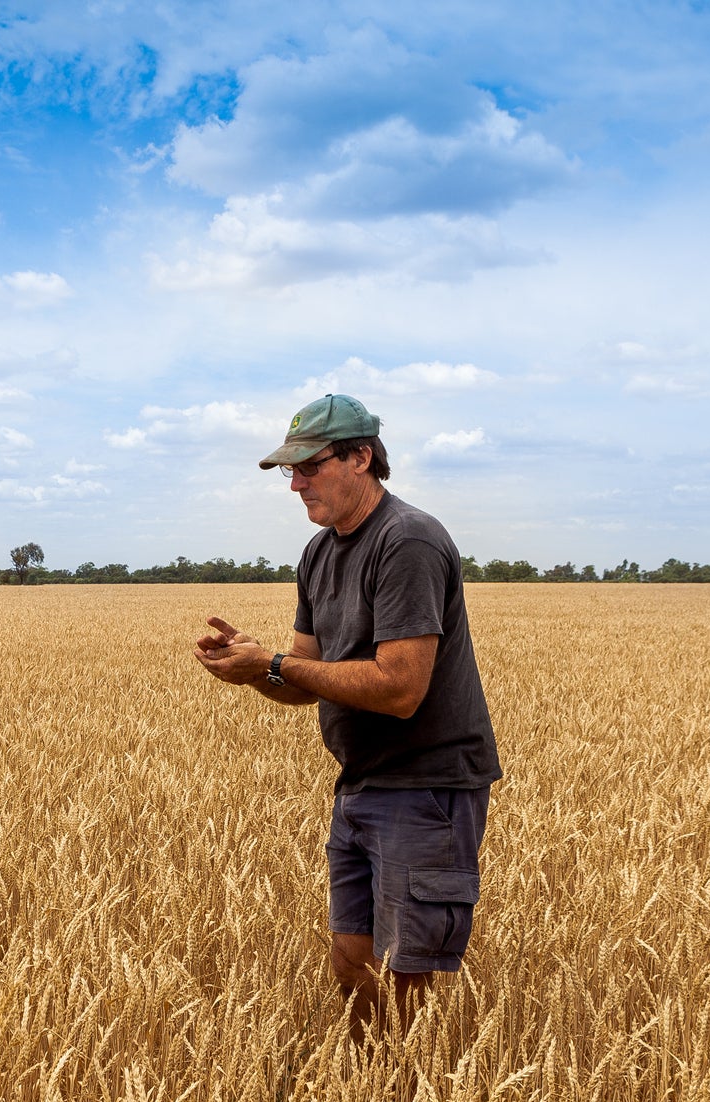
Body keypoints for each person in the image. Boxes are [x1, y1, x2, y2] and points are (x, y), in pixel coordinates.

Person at [194, 393, 501, 1037]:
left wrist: (273, 663)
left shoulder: (407, 539)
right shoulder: (320, 553)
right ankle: (367, 1094)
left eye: (310, 465)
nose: (298, 483)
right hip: (360, 781)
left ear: (362, 457)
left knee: (405, 968)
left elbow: (400, 688)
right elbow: (306, 677)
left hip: (426, 785)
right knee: (351, 958)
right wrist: (252, 670)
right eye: (290, 470)